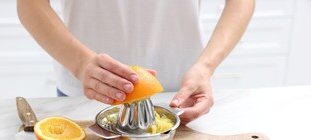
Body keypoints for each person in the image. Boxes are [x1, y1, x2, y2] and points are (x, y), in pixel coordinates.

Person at [17, 0, 255, 124]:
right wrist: (80, 63)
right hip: (86, 91)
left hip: (181, 95)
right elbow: (30, 4)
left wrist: (206, 66)